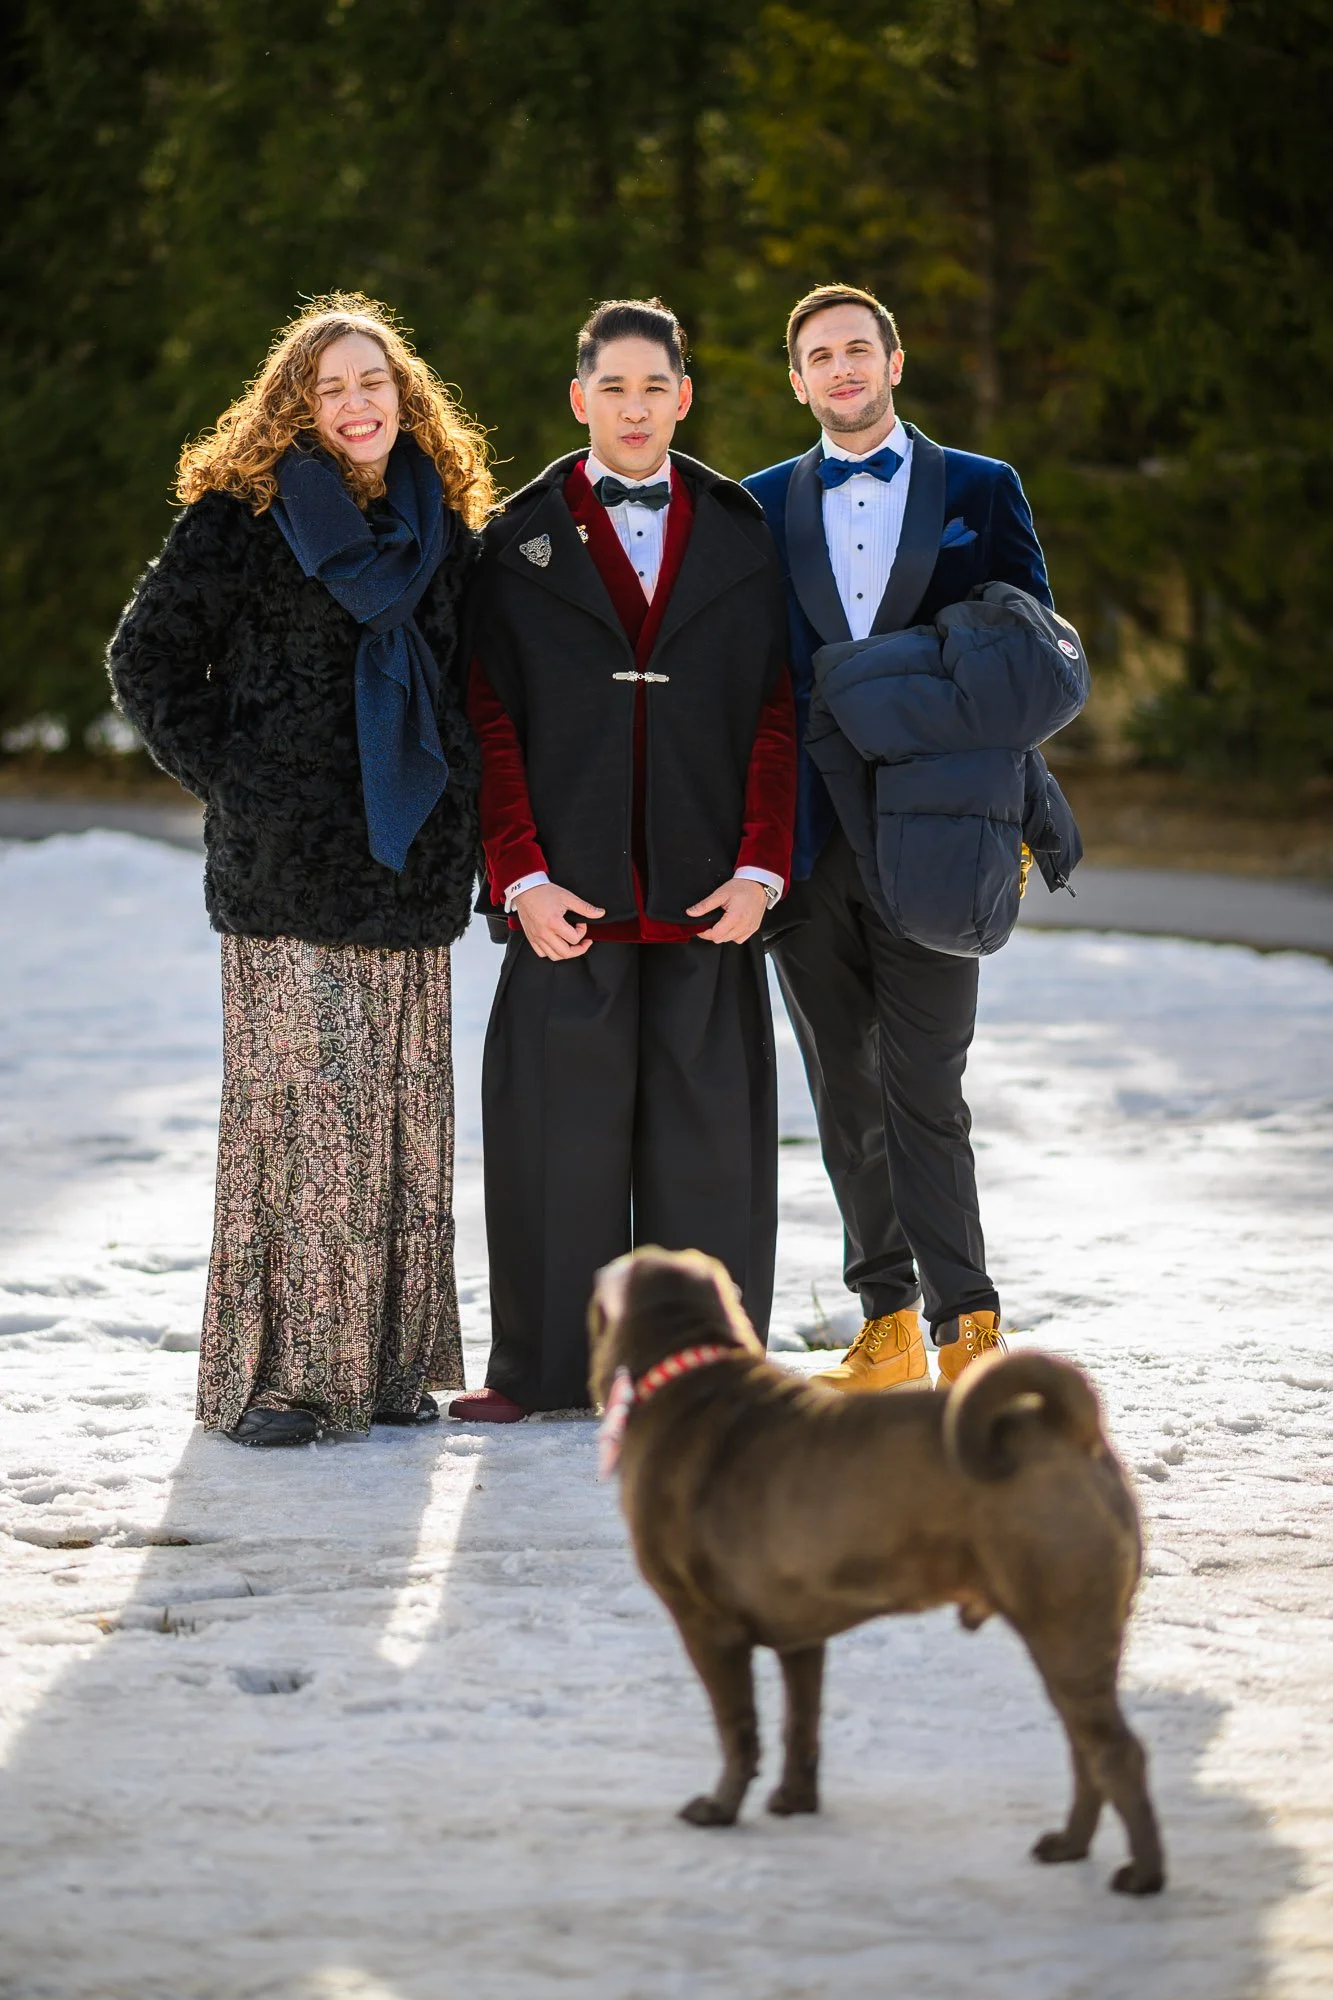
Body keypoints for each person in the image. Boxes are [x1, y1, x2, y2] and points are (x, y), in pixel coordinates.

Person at [108, 294, 491, 1446]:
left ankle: (382, 1369)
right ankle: (280, 1381)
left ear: (404, 396)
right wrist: (244, 777)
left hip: (410, 865)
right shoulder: (244, 515)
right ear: (298, 407)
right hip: (286, 871)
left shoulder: (440, 528)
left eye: (374, 382)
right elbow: (147, 658)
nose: (357, 402)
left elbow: (472, 685)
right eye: (331, 387)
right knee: (305, 1123)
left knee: (400, 1122)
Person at [453, 297, 796, 1421]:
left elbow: (776, 712)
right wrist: (520, 874)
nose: (635, 407)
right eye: (613, 388)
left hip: (710, 893)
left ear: (683, 397)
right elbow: (487, 716)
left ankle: (703, 1370)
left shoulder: (741, 530)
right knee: (560, 1144)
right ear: (578, 398)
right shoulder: (515, 538)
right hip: (567, 893)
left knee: (711, 1151)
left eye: (655, 387)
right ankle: (546, 1371)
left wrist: (760, 869)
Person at [743, 283, 1058, 1395]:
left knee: (926, 1081)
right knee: (842, 1085)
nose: (840, 370)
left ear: (893, 361)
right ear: (796, 378)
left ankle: (967, 1318)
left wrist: (1011, 806)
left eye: (857, 351)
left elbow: (1027, 660)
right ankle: (885, 1320)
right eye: (819, 356)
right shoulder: (758, 503)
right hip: (807, 838)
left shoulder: (980, 488)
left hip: (937, 840)